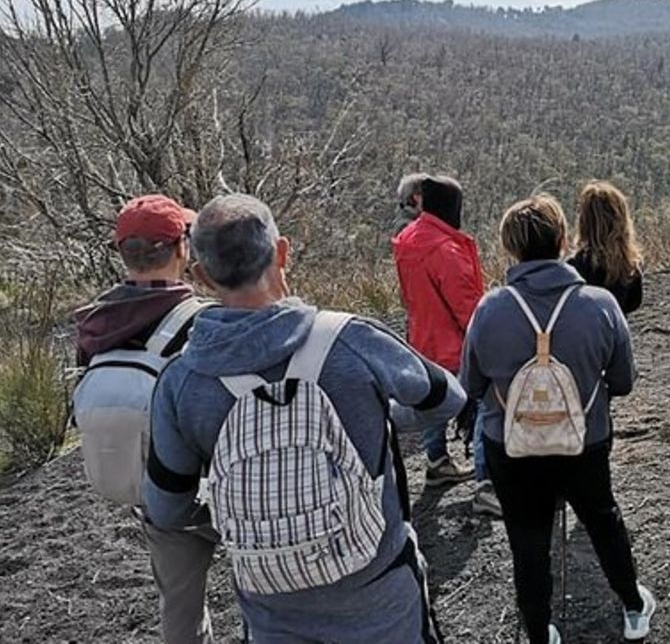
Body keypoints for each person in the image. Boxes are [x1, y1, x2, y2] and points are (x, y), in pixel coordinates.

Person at [145, 193, 465, 643]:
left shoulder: (181, 381)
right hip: (379, 594)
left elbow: (166, 507)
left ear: (200, 276)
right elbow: (446, 398)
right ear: (282, 252)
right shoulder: (350, 339)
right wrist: (384, 417)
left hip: (273, 610)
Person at [461, 195, 656, 644]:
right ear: (563, 239)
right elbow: (624, 382)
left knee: (527, 539)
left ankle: (538, 630)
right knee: (603, 520)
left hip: (511, 445)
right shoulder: (600, 304)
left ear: (510, 248)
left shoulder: (490, 309)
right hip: (584, 440)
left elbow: (470, 385)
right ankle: (632, 606)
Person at [74, 194, 218, 644]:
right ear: (182, 249)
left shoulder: (95, 324)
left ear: (122, 253)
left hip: (153, 490)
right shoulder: (202, 320)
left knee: (179, 608)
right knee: (267, 595)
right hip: (217, 485)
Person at [392, 173, 495, 515]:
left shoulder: (409, 238)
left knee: (433, 399)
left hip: (422, 336)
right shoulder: (445, 249)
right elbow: (466, 305)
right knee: (483, 404)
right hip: (454, 342)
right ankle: (487, 484)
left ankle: (437, 462)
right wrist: (487, 339)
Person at [567, 180, 644, 315]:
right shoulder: (630, 265)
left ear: (584, 221)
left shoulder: (574, 266)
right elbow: (634, 303)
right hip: (617, 333)